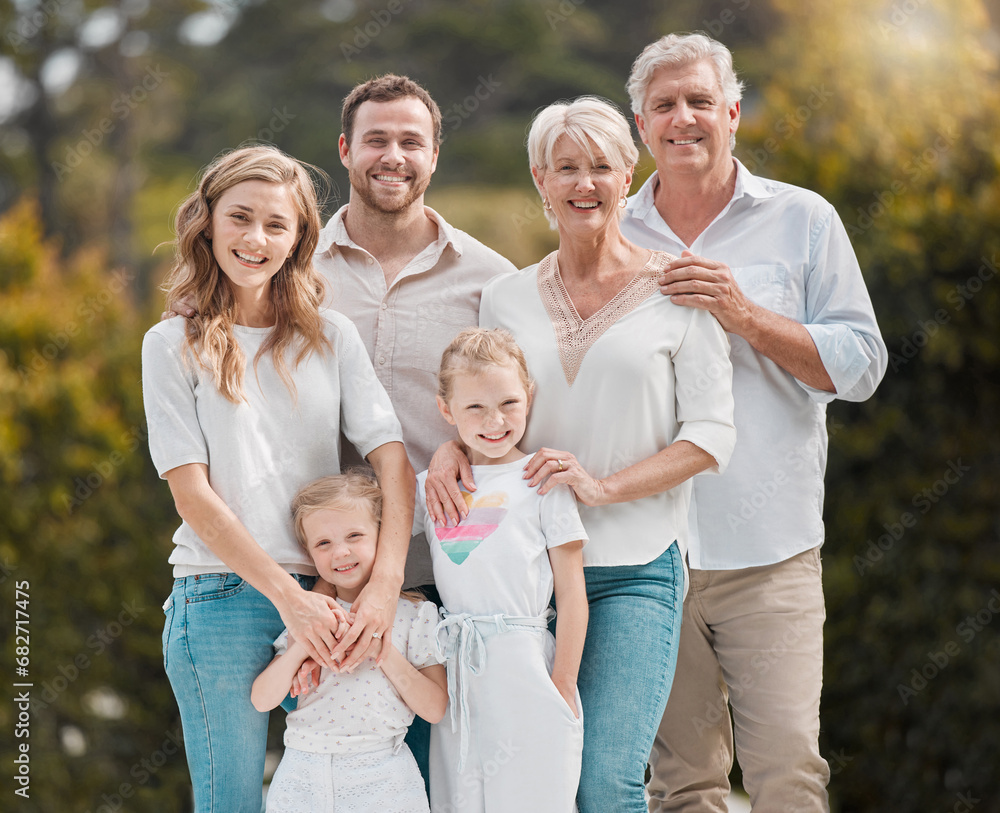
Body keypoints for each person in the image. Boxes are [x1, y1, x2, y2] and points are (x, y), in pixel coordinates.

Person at [425, 97, 737, 813]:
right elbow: (484, 400)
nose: (583, 183)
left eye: (601, 165)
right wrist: (448, 448)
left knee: (606, 780)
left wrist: (602, 487)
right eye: (566, 167)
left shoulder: (679, 290)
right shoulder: (503, 297)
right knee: (531, 782)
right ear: (541, 178)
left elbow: (714, 432)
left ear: (630, 174)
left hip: (632, 571)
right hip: (521, 581)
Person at [620, 34, 888, 812]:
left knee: (790, 777)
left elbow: (863, 364)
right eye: (664, 105)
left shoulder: (803, 220)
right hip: (651, 556)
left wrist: (746, 315)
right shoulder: (612, 229)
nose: (683, 119)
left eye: (700, 101)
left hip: (770, 554)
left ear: (732, 113)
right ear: (642, 125)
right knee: (683, 785)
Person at [142, 145, 415, 812]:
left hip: (334, 593)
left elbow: (392, 460)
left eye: (276, 224)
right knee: (231, 802)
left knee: (349, 788)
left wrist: (379, 589)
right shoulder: (170, 343)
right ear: (207, 222)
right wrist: (289, 602)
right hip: (222, 596)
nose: (255, 238)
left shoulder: (332, 336)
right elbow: (192, 495)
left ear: (299, 240)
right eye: (240, 217)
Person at [414, 327, 589, 812]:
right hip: (458, 670)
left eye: (509, 403)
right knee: (463, 798)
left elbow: (572, 594)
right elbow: (377, 547)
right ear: (446, 410)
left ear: (528, 396)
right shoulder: (432, 486)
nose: (495, 421)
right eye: (474, 408)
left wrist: (562, 685)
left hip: (527, 661)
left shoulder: (542, 479)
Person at [252, 472, 448, 813]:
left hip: (384, 778)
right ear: (309, 552)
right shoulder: (307, 616)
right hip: (302, 775)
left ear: (383, 535)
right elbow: (262, 700)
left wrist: (381, 652)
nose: (340, 552)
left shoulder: (416, 615)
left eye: (354, 535)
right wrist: (303, 644)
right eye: (323, 543)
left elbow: (434, 708)